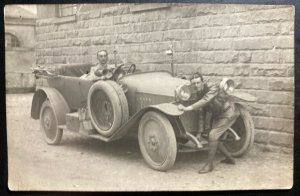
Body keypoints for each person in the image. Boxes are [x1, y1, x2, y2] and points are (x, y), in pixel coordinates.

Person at [178, 72, 240, 174]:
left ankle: (209, 165)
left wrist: (187, 108)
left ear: (202, 81)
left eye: (198, 83)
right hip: (218, 116)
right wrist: (199, 132)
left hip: (228, 113)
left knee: (212, 136)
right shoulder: (198, 94)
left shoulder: (212, 86)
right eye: (194, 84)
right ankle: (229, 158)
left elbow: (206, 100)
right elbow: (201, 115)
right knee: (212, 138)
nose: (196, 85)